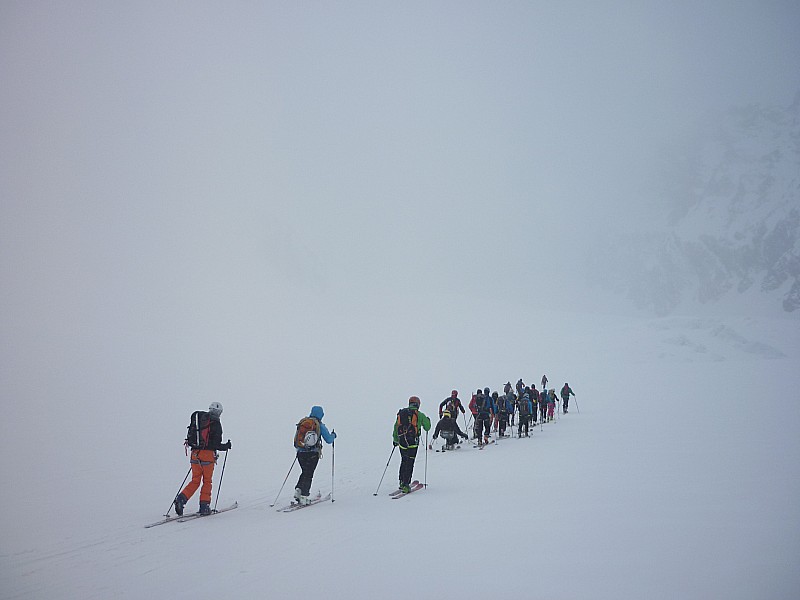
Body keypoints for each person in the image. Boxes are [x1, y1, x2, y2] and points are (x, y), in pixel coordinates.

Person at [174, 402, 232, 516]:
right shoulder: (216, 424)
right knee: (207, 481)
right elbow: (216, 444)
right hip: (207, 456)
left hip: (195, 453)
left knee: (195, 480)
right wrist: (226, 446)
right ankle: (204, 507)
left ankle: (181, 499)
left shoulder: (200, 420)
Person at [293, 405, 336, 505]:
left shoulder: (303, 423)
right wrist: (334, 435)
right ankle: (304, 496)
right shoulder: (319, 425)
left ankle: (298, 490)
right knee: (309, 474)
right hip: (312, 453)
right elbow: (329, 440)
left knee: (304, 472)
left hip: (300, 453)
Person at [393, 396, 431, 493]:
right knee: (410, 462)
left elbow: (396, 427)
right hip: (413, 443)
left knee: (403, 460)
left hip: (402, 442)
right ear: (418, 404)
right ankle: (406, 484)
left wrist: (396, 439)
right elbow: (427, 427)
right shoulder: (419, 414)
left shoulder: (402, 413)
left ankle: (401, 482)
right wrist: (428, 420)